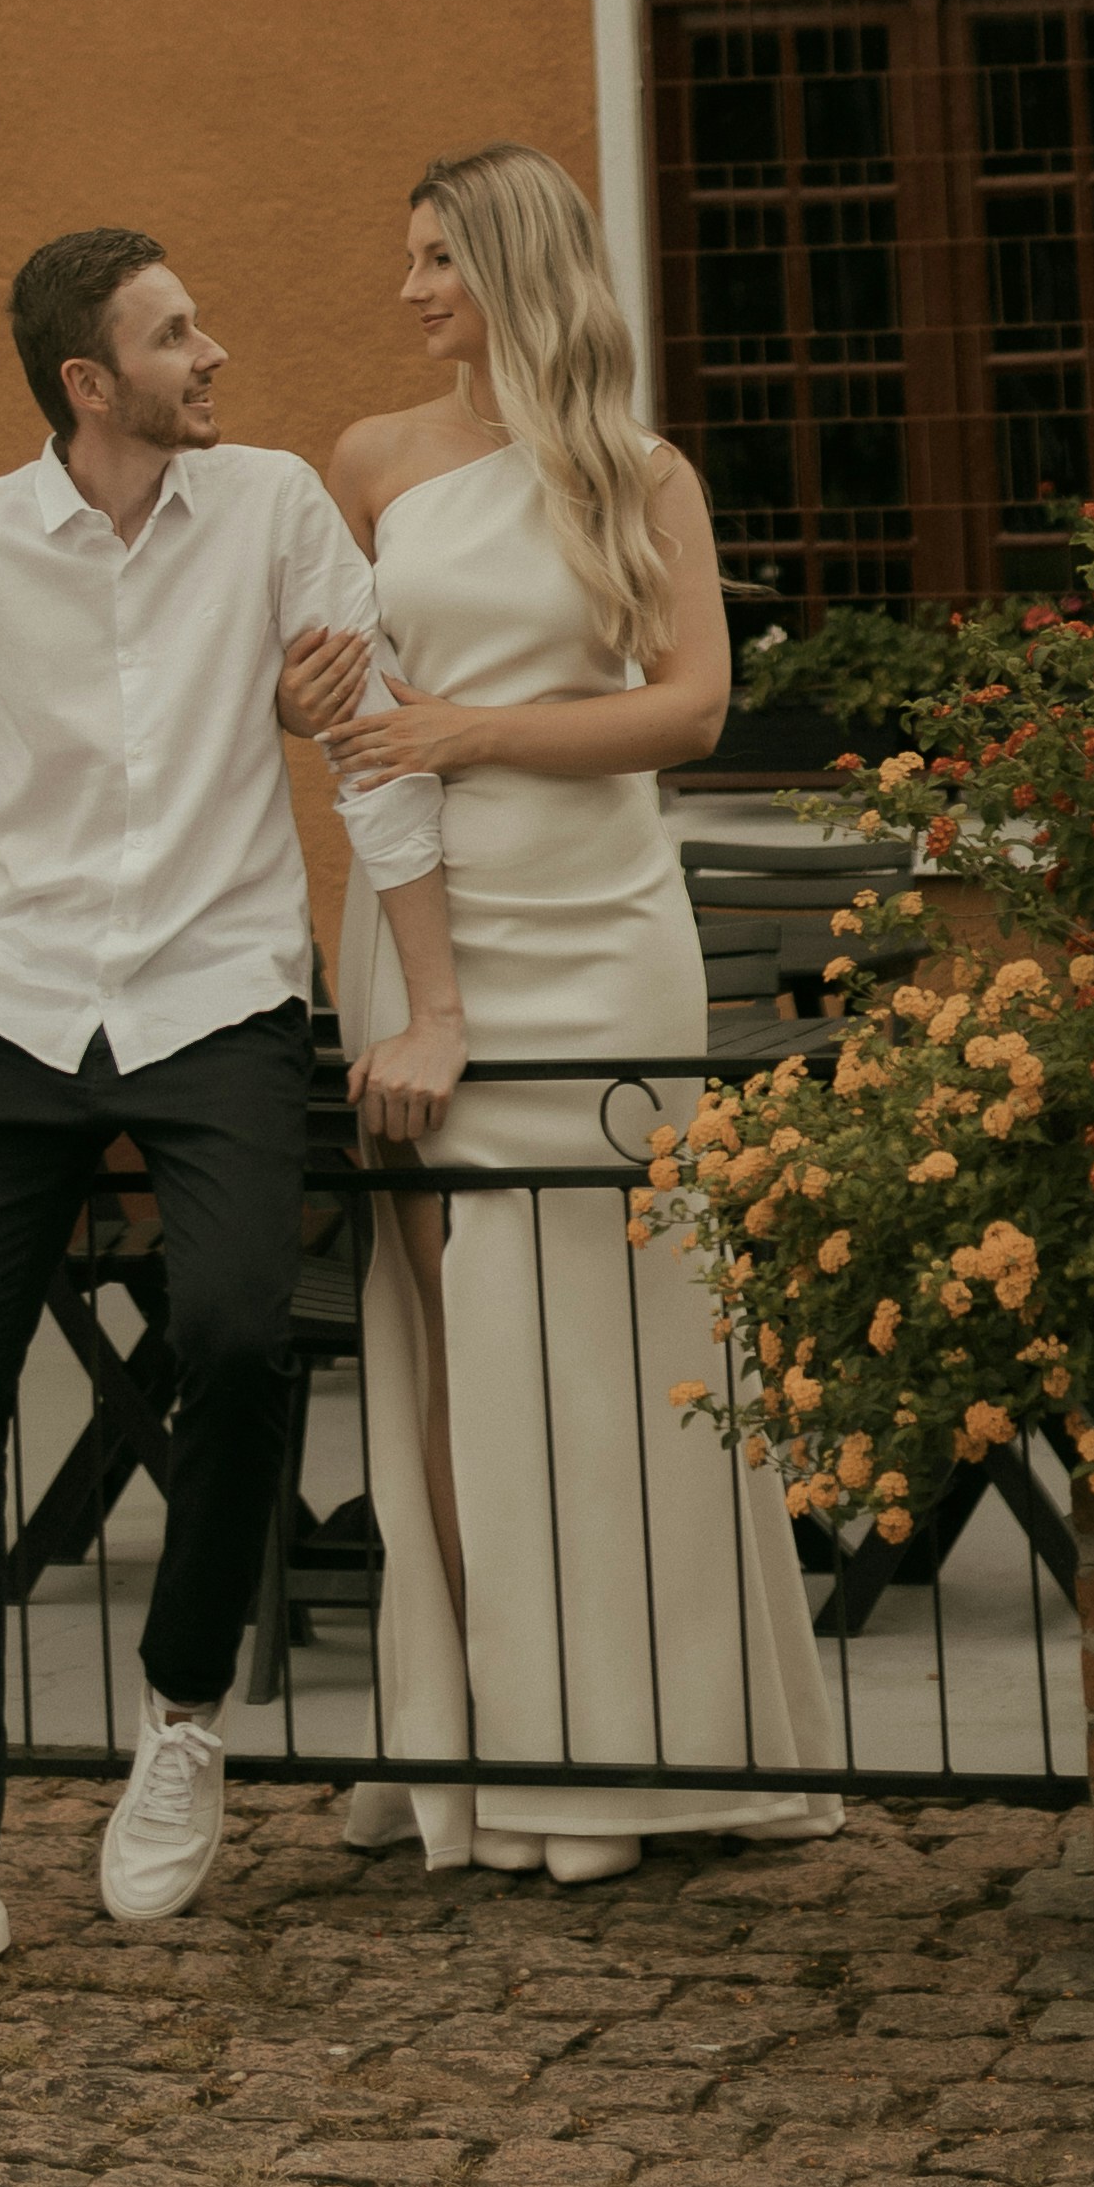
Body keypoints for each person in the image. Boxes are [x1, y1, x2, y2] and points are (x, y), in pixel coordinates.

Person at [0, 224, 467, 2013]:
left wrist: (440, 1001)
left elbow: (373, 749)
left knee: (244, 1335)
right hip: (17, 1010)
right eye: (178, 336)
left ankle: (184, 1711)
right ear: (90, 382)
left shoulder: (270, 514)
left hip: (221, 995)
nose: (215, 354)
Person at [300, 141, 841, 1880]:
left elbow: (688, 713)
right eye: (408, 259)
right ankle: (497, 1756)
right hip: (426, 941)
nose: (409, 293)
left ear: (517, 267)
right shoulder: (370, 464)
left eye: (437, 257)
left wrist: (475, 731)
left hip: (605, 936)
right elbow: (338, 707)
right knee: (451, 1334)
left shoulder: (638, 472)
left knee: (636, 1338)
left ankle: (658, 1747)